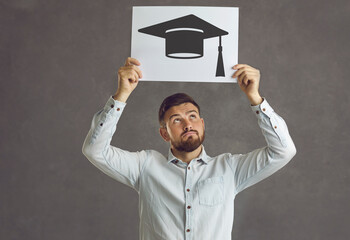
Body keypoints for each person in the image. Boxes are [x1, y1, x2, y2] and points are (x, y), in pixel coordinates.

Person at [82, 57, 296, 240]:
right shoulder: (145, 166)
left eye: (193, 116)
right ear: (164, 133)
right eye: (176, 120)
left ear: (202, 124)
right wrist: (122, 94)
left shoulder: (229, 168)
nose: (187, 124)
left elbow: (283, 151)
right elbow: (94, 151)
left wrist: (256, 99)